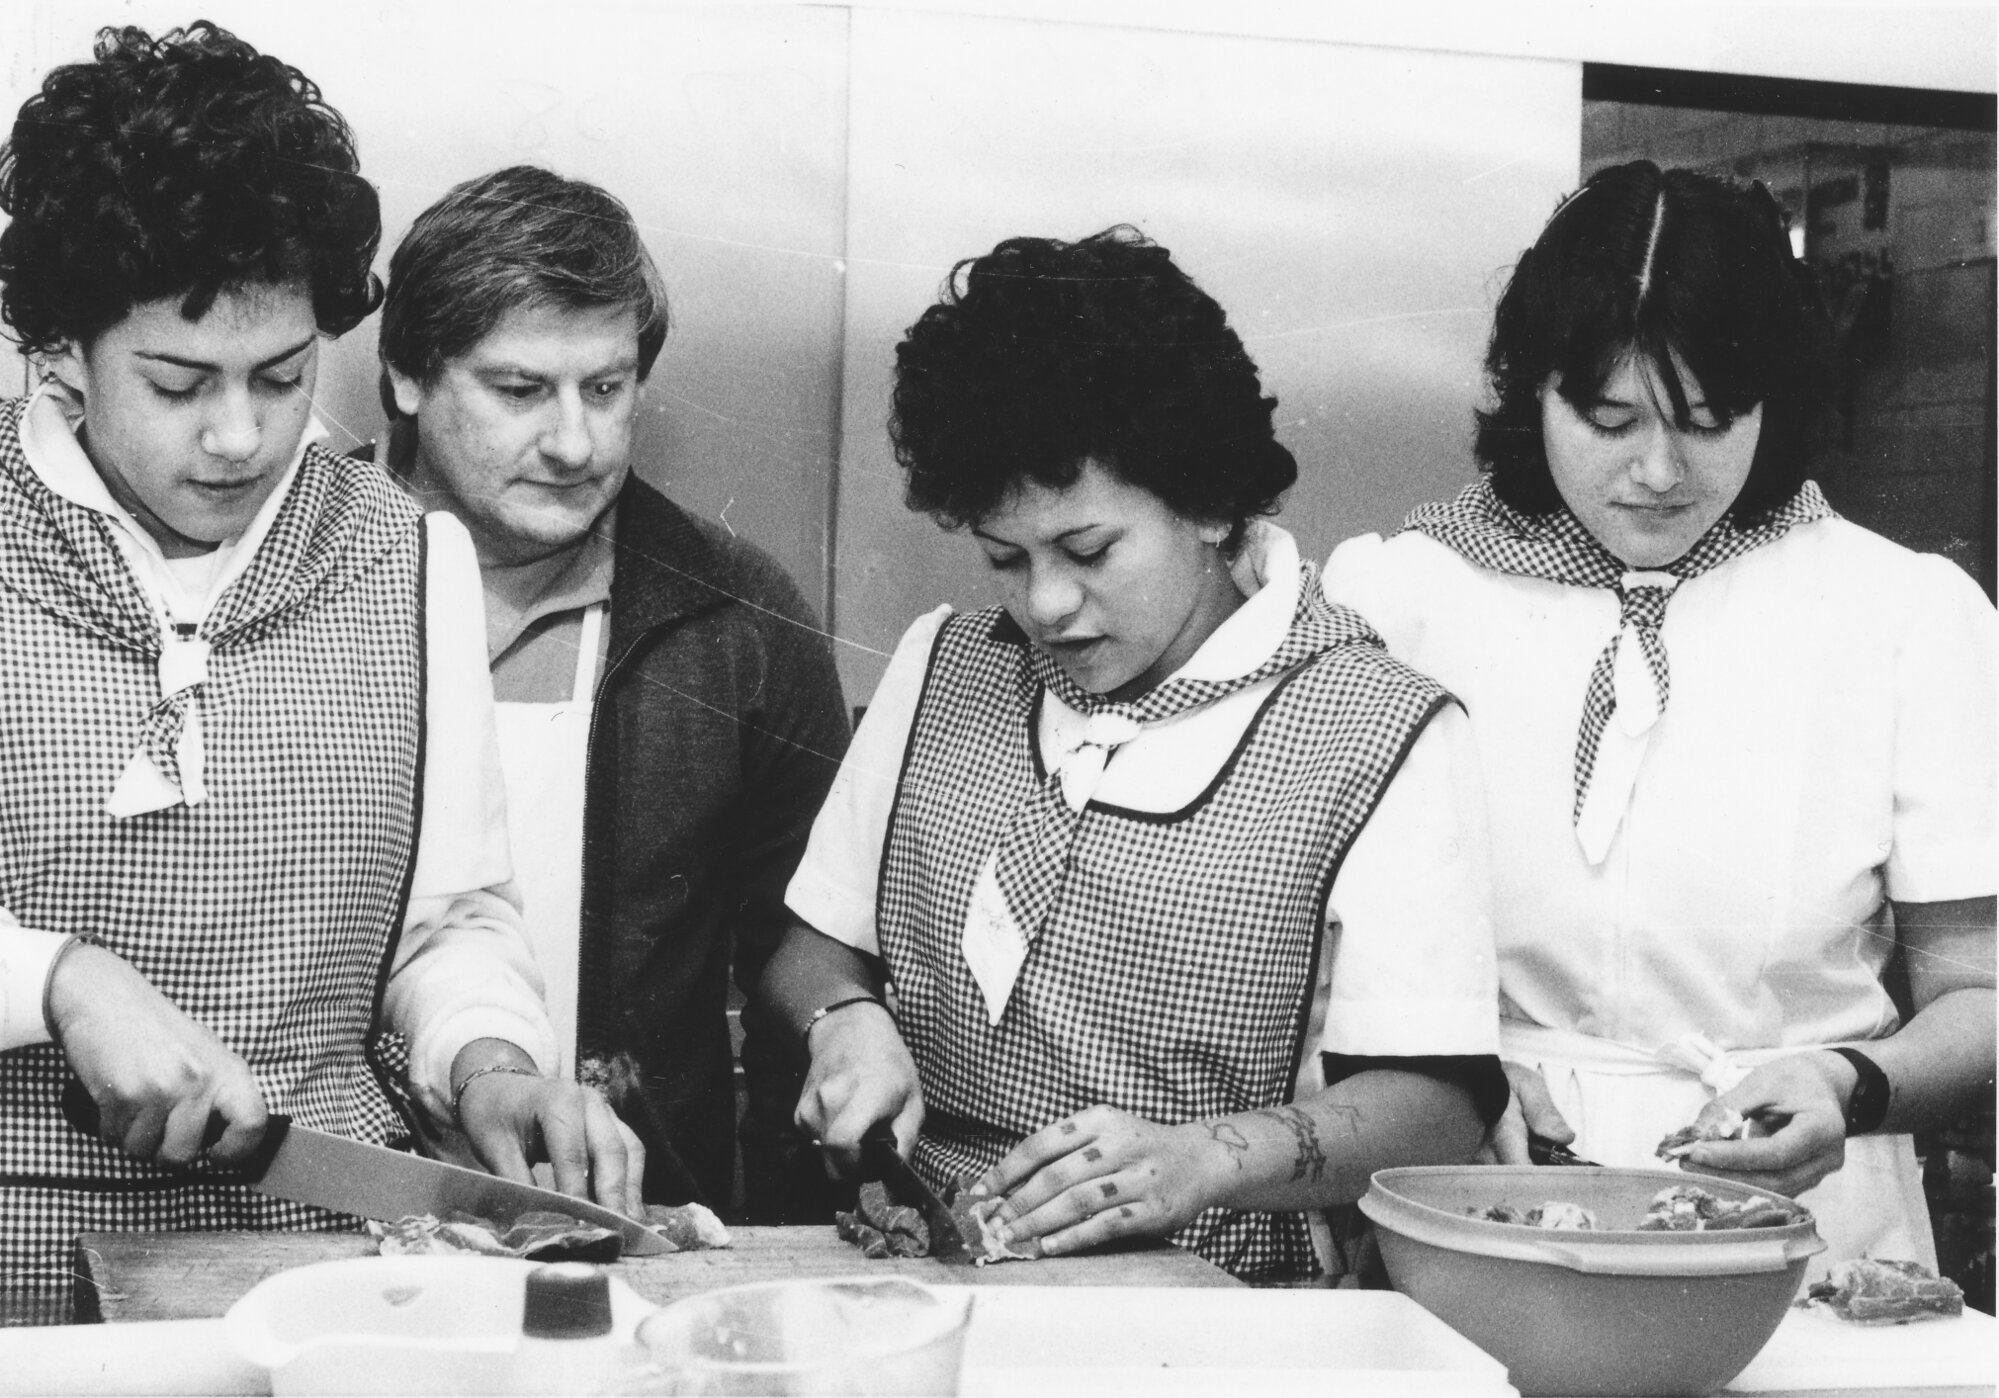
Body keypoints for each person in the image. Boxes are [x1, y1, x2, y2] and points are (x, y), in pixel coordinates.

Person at [0, 23, 634, 1315]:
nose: (240, 436)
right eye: (178, 383)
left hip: (315, 1254)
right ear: (59, 349)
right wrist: (55, 979)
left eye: (282, 376)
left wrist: (493, 1063)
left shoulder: (405, 557)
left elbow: (447, 921)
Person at [759, 226, 1504, 1283]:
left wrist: (1199, 1159)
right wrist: (845, 1022)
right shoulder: (944, 664)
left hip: (1211, 1286)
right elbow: (813, 944)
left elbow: (1435, 1106)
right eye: (1004, 558)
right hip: (920, 1266)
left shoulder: (1378, 730)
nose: (1045, 603)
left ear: (1209, 502)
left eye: (1089, 550)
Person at [1324, 160, 1996, 1277]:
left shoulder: (1901, 613)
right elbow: (1308, 958)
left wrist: (1848, 1083)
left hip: (1804, 1220)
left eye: (1708, 419)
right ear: (1533, 392)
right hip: (1480, 1190)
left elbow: (1976, 988)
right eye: (1608, 418)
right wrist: (1434, 1082)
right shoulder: (1399, 600)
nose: (1656, 469)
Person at [380, 166, 852, 1219]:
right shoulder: (297, 583)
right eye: (518, 391)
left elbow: (802, 946)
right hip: (324, 1199)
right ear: (407, 375)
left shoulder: (738, 618)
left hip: (625, 1216)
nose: (573, 443)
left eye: (606, 388)